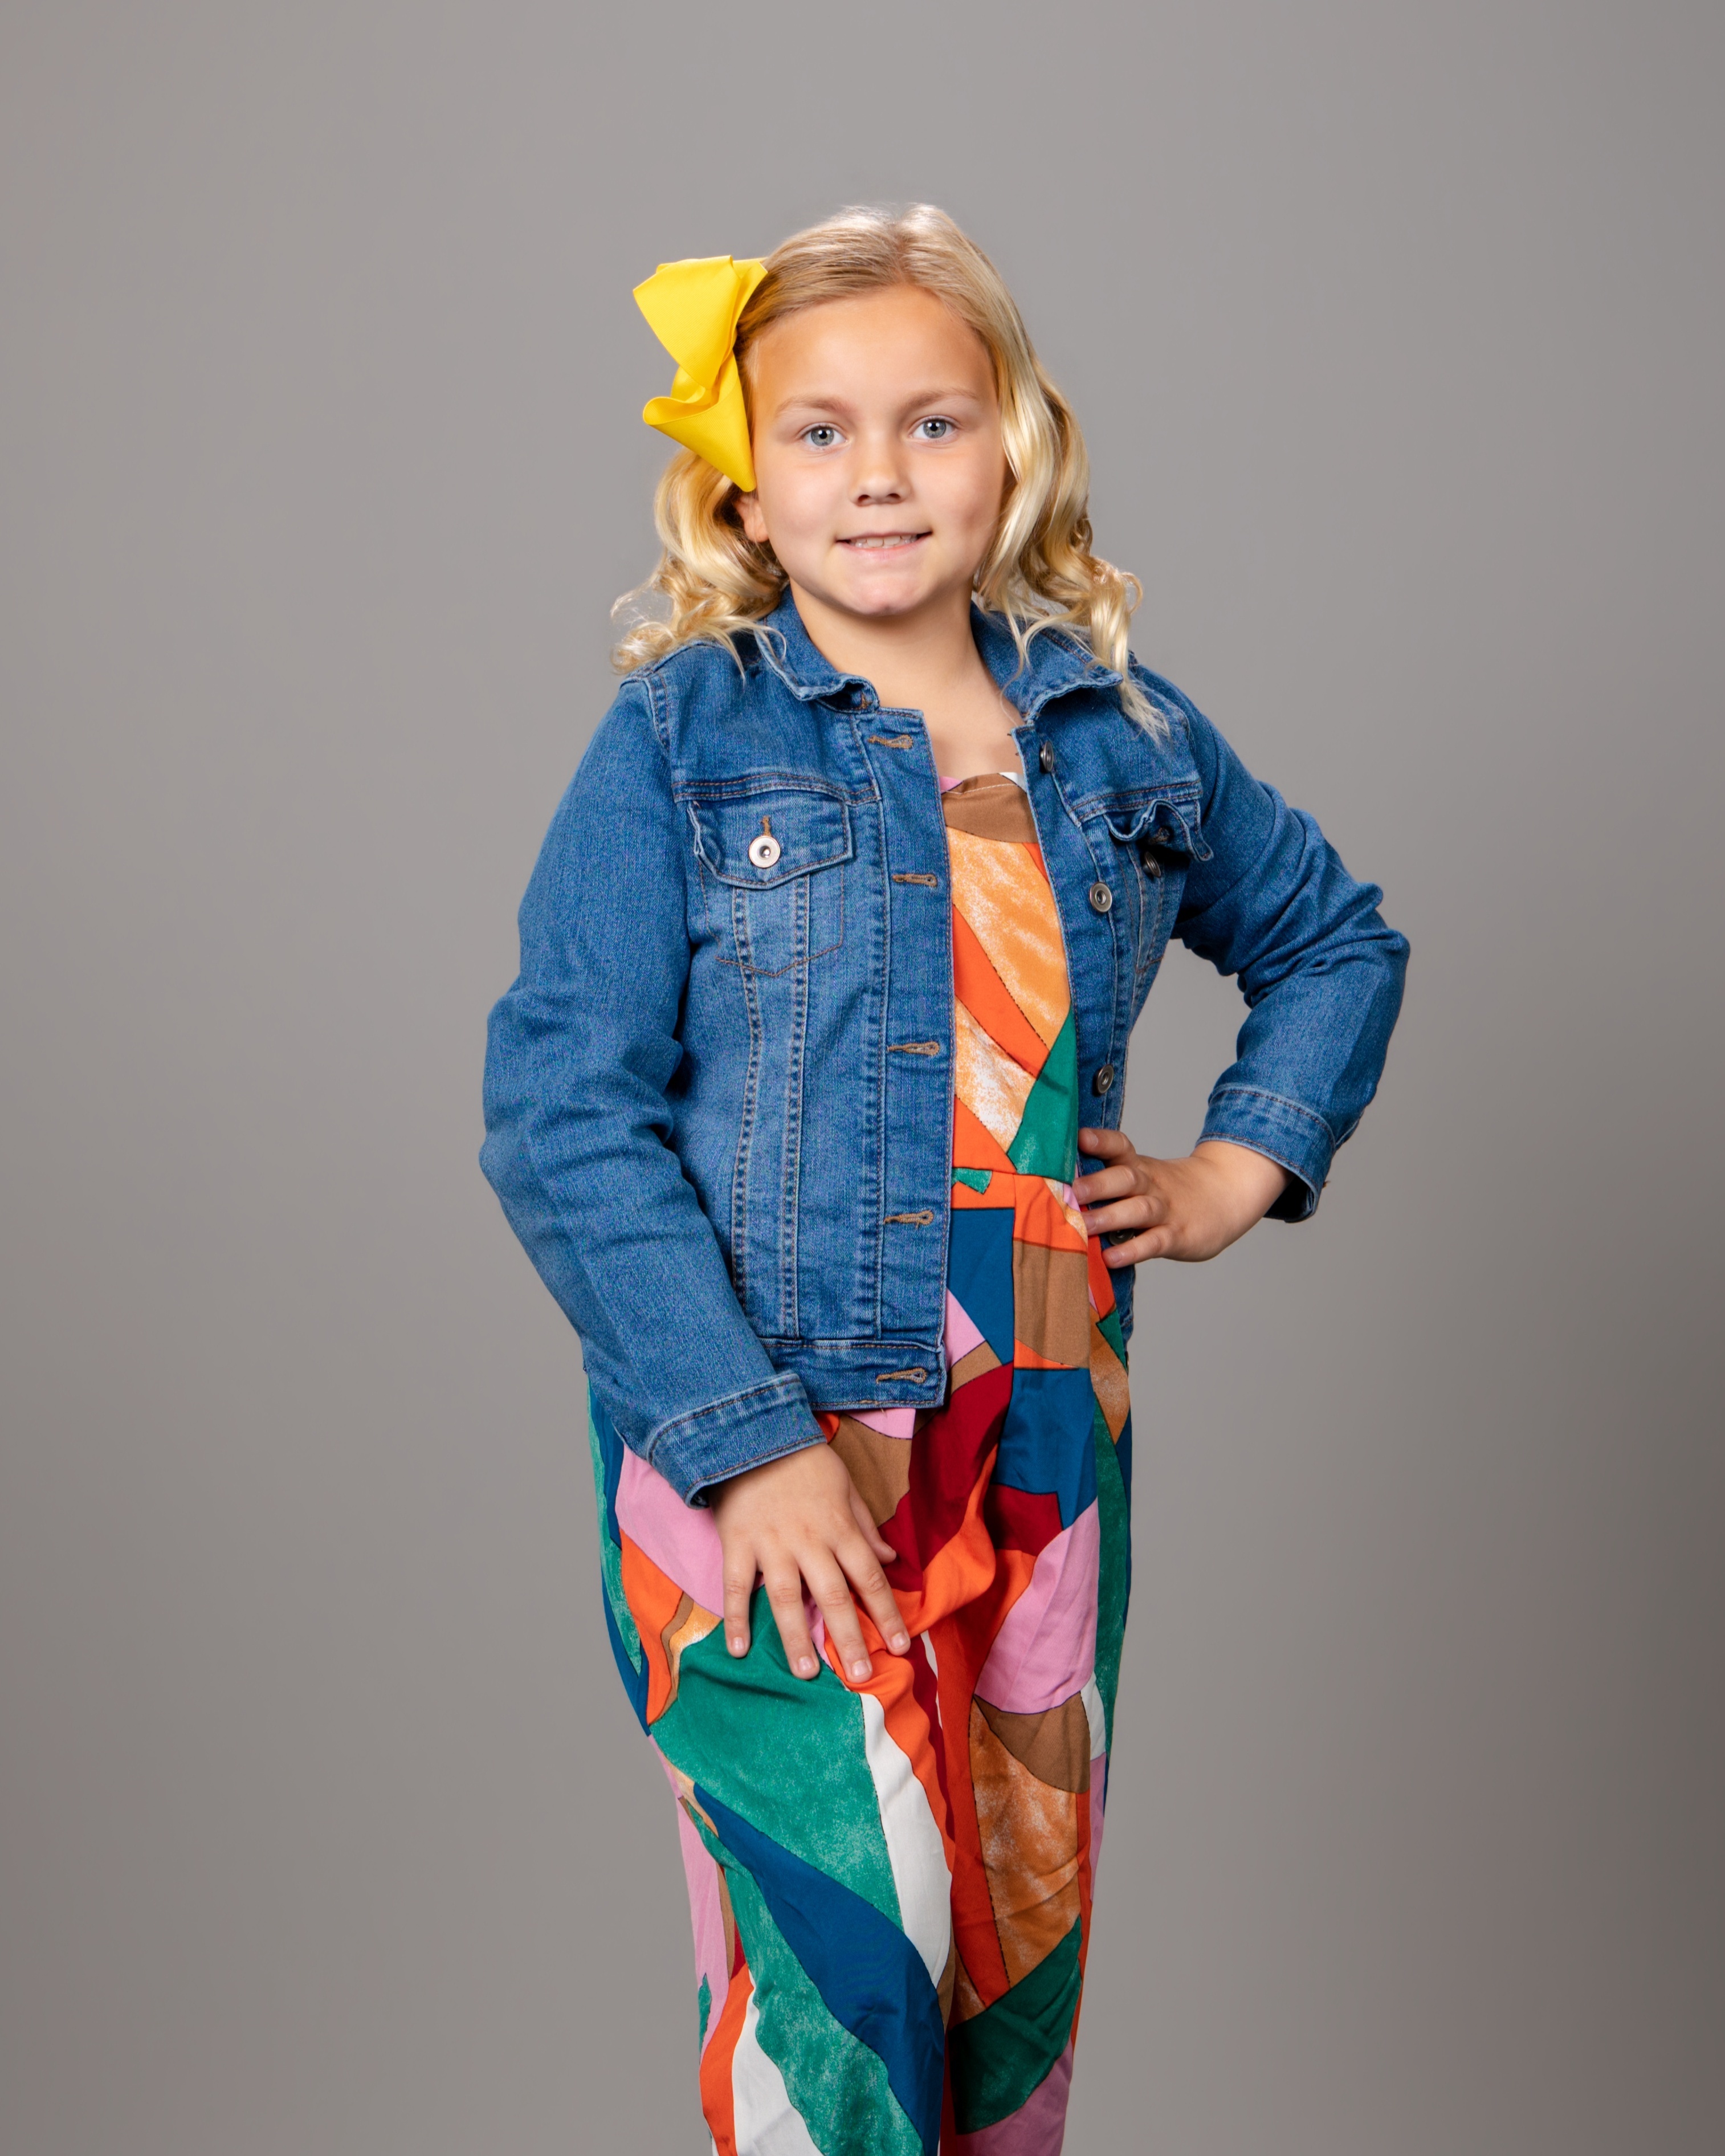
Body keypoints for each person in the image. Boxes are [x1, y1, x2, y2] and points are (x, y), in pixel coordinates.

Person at [481, 204, 1406, 2156]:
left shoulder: (1121, 735)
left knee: (1008, 1999)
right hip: (772, 1455)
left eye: (932, 421)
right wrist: (746, 1445)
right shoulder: (681, 742)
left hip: (1047, 1444)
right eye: (817, 431)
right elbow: (559, 1113)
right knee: (842, 2003)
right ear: (743, 488)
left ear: (1016, 449)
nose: (878, 474)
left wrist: (1235, 1170)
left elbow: (1333, 939)